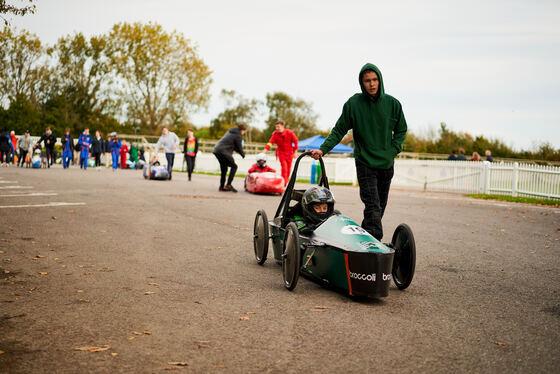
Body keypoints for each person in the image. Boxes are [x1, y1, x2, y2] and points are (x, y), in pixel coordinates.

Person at [311, 63, 407, 241]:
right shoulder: (354, 104)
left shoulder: (393, 104)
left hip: (386, 164)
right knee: (373, 207)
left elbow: (401, 130)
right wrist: (323, 149)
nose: (371, 84)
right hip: (365, 163)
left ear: (380, 80)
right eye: (367, 81)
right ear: (362, 83)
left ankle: (364, 239)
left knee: (379, 208)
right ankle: (374, 245)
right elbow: (339, 130)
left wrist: (393, 150)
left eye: (374, 80)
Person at [263, 120, 298, 186]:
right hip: (281, 153)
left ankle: (285, 182)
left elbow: (295, 141)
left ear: (282, 126)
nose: (277, 128)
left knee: (288, 169)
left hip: (290, 153)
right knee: (284, 168)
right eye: (276, 127)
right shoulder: (275, 134)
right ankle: (284, 184)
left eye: (278, 127)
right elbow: (270, 142)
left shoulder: (290, 133)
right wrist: (265, 150)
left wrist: (295, 151)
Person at [213, 123, 247, 192]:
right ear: (242, 130)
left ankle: (221, 187)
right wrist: (243, 154)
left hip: (217, 150)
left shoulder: (230, 132)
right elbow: (239, 147)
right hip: (224, 152)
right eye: (244, 132)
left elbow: (234, 146)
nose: (243, 133)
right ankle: (228, 185)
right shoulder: (238, 135)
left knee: (224, 168)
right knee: (234, 166)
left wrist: (240, 152)